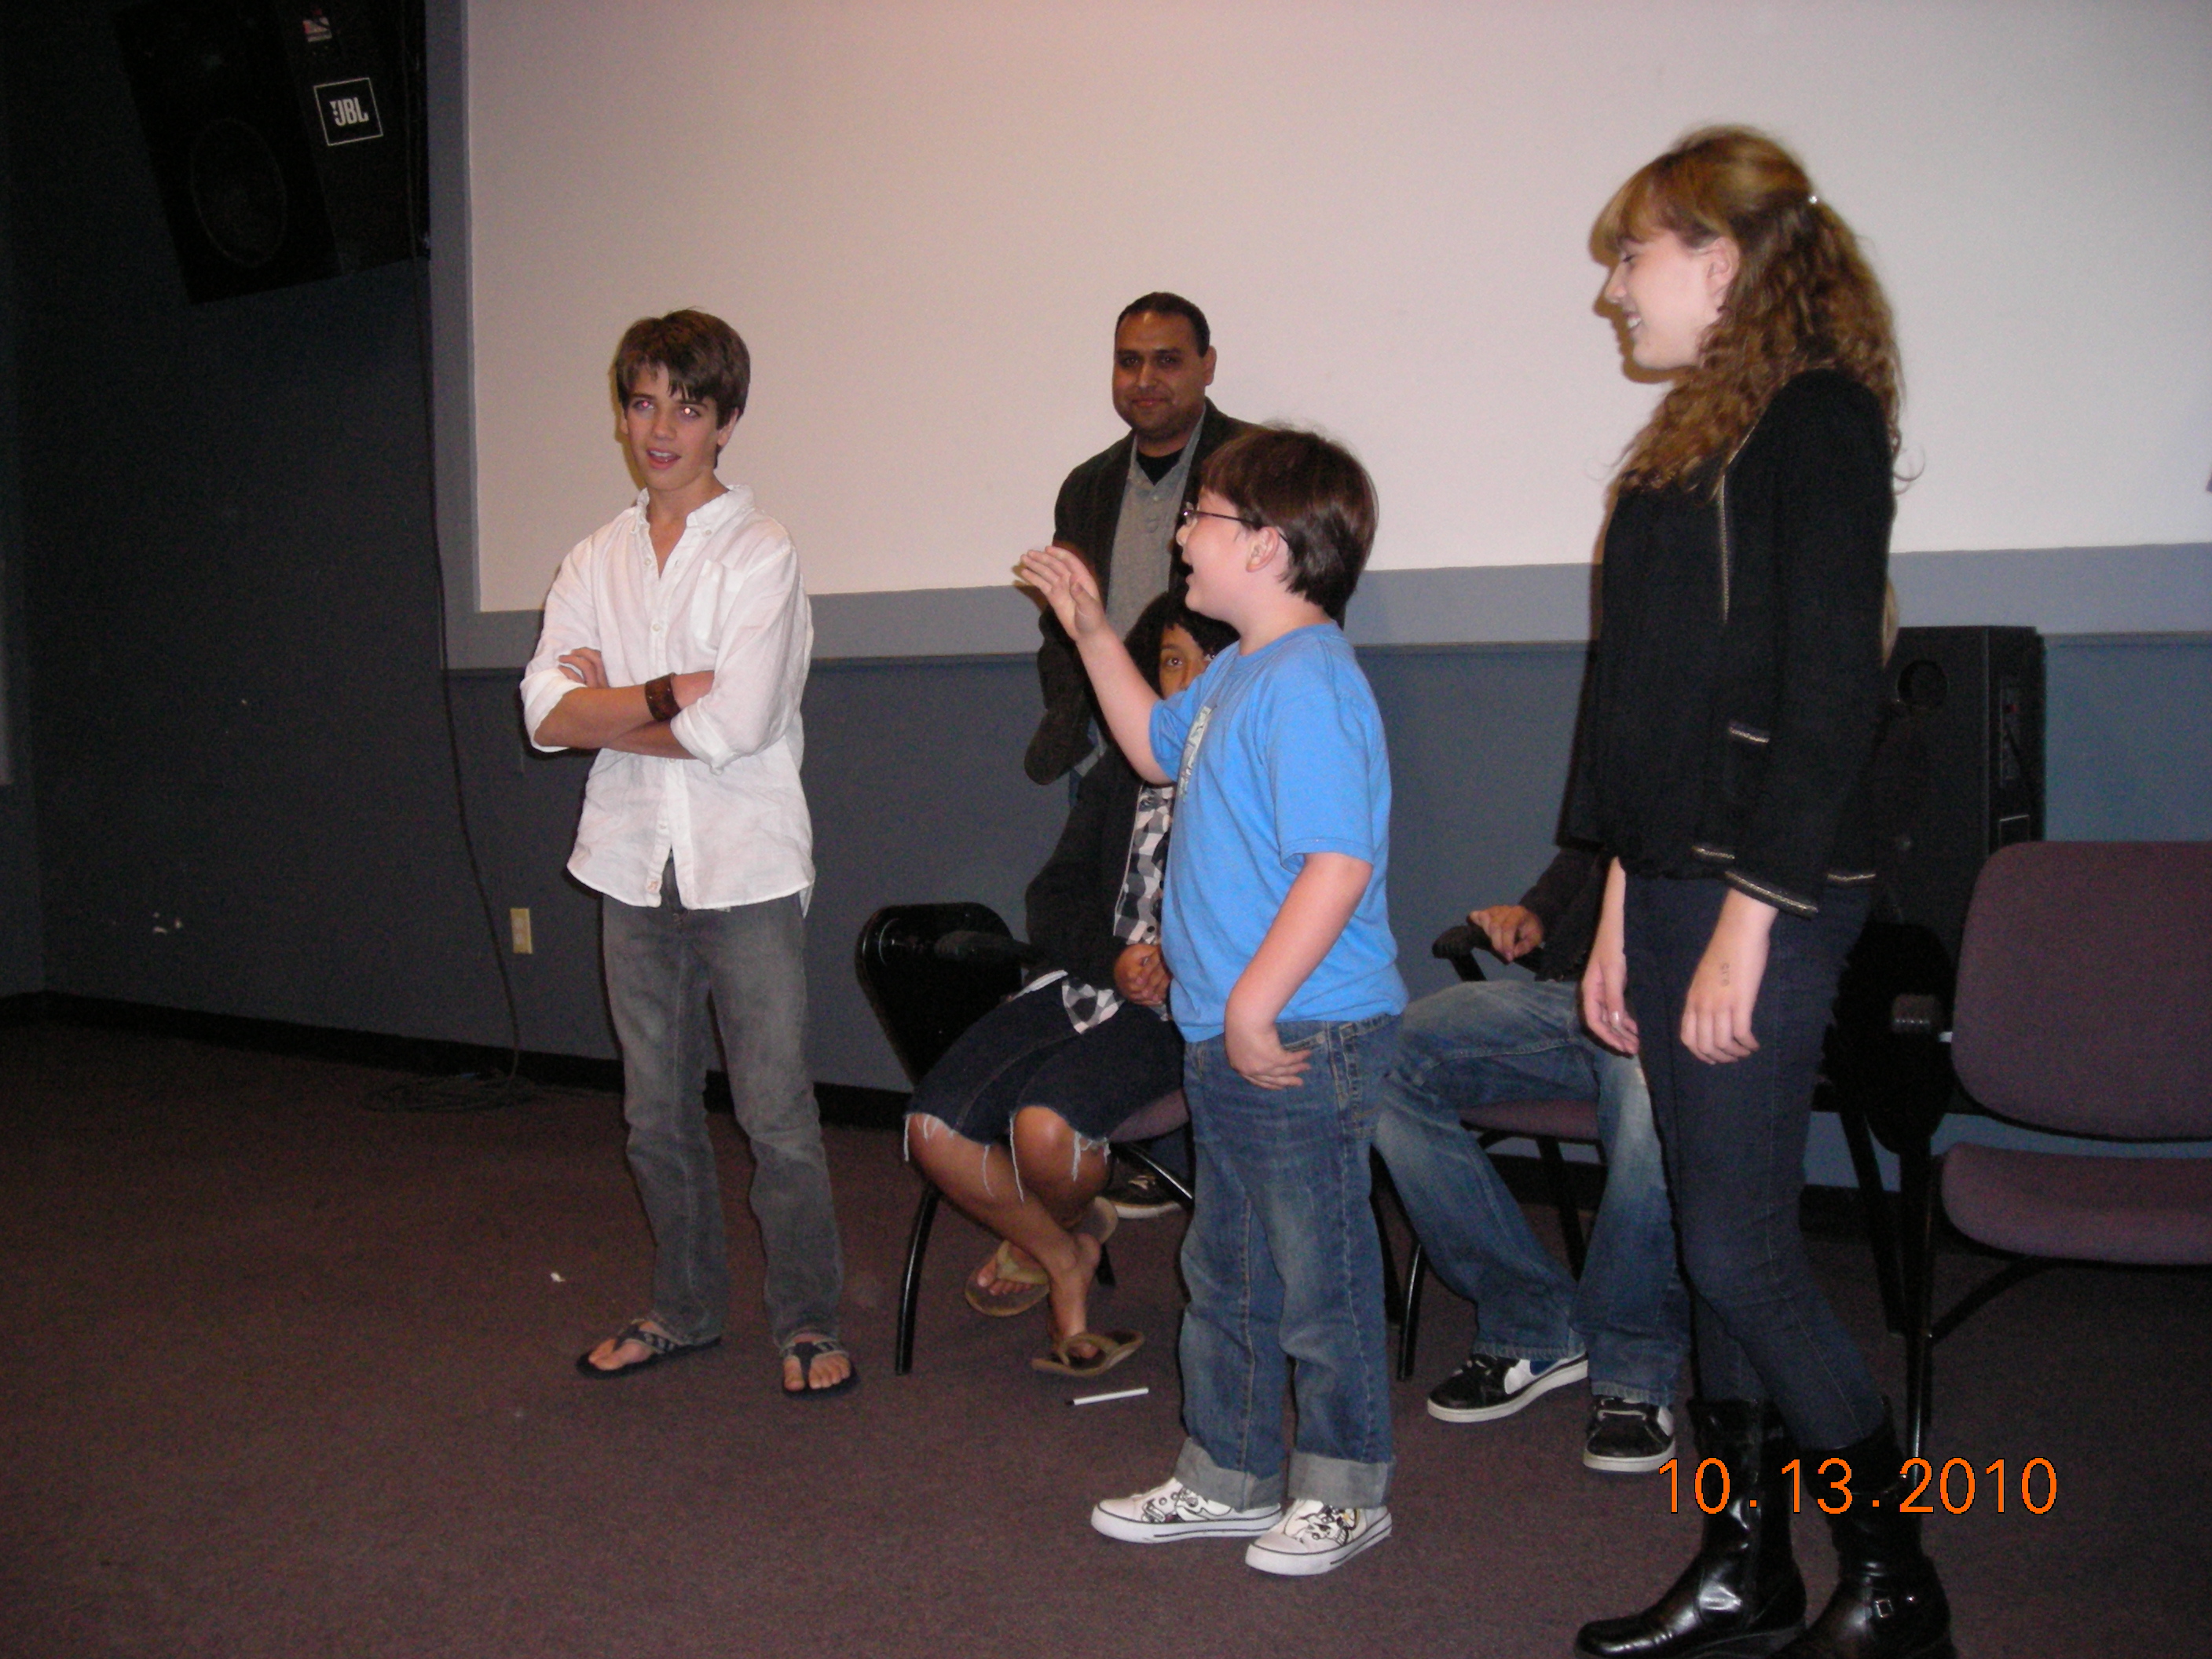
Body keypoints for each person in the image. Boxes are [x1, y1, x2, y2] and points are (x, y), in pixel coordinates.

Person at [1568, 130, 1951, 1657]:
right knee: (1708, 1240)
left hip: (1764, 897)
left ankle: (1896, 1576)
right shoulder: (1681, 448)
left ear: (1717, 264)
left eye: (1631, 256)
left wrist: (1746, 919)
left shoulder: (1815, 425)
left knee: (1735, 1249)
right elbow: (1633, 701)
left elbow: (1824, 702)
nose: (1612, 290)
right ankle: (1746, 1565)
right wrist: (1612, 901)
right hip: (1663, 886)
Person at [1020, 426, 1406, 1579]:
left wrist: (1252, 1006)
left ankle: (1347, 1487)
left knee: (1317, 1269)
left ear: (1273, 549)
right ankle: (1229, 1474)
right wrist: (1092, 629)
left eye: (1205, 517)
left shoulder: (1313, 683)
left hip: (1299, 1032)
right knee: (1228, 1265)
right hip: (1229, 1030)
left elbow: (1337, 863)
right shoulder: (1239, 671)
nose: (1184, 534)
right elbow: (1147, 744)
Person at [519, 310, 853, 1401]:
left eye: (688, 405)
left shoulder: (762, 554)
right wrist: (667, 692)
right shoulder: (594, 557)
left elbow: (739, 725)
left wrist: (601, 703)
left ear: (726, 423)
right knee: (652, 1114)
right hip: (630, 863)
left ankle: (806, 1321)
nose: (660, 427)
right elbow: (541, 714)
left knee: (775, 1115)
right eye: (643, 401)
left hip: (746, 867)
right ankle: (685, 1308)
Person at [904, 595, 1237, 1375]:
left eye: (1204, 665)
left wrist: (1176, 961)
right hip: (1087, 980)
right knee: (929, 1131)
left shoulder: (1250, 774)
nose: (1182, 684)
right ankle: (1062, 1253)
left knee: (1043, 1131)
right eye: (1168, 663)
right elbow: (1051, 897)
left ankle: (1053, 1259)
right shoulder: (1118, 773)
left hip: (1176, 1013)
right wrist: (1115, 955)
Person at [1373, 844, 1690, 1473]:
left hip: (1682, 1010)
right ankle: (1532, 1320)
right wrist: (1538, 912)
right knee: (1383, 1056)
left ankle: (1633, 1365)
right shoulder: (1629, 752)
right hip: (1576, 995)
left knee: (1644, 1081)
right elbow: (1592, 851)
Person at [1024, 292, 1248, 786]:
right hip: (1107, 764)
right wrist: (1080, 726)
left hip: (1224, 757)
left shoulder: (1256, 468)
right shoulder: (1087, 486)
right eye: (1129, 362)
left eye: (1167, 360)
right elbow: (1061, 624)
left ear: (1207, 366)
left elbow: (1296, 611)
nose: (1144, 379)